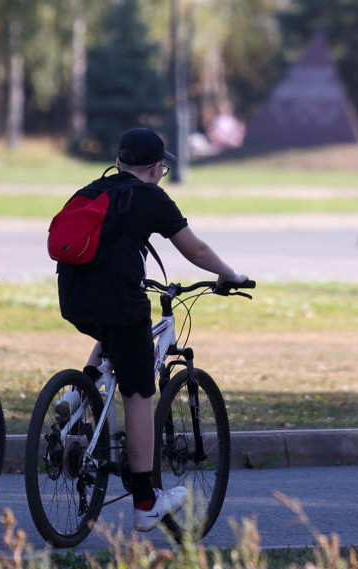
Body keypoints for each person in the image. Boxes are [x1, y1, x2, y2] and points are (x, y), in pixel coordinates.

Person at [56, 127, 248, 531]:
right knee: (140, 390)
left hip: (74, 298)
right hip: (119, 299)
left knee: (113, 338)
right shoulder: (151, 197)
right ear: (158, 168)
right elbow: (194, 249)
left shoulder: (93, 189)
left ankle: (78, 395)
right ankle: (145, 502)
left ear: (120, 160)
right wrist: (229, 274)